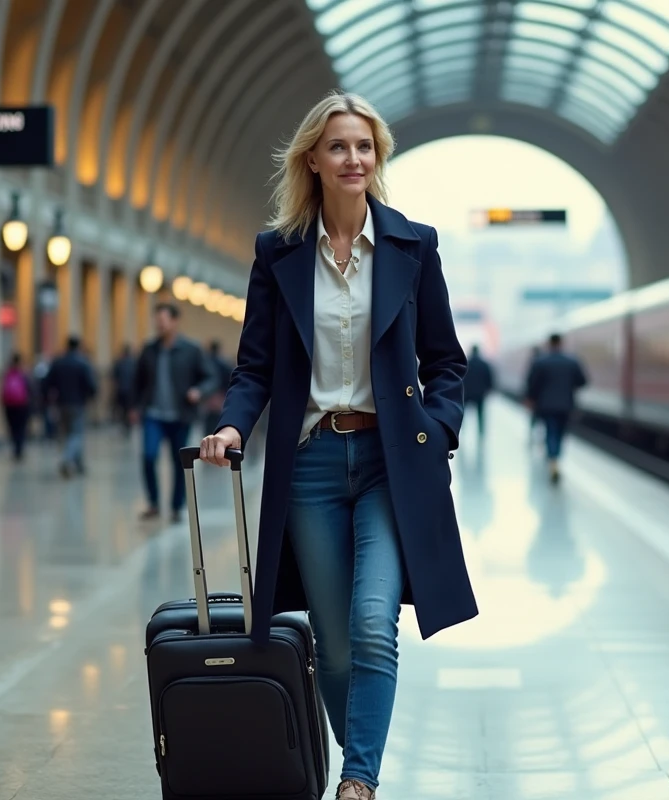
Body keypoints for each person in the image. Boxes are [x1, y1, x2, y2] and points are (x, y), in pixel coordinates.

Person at [199, 90, 478, 800]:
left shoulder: (416, 246)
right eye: (338, 147)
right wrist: (233, 425)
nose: (354, 158)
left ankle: (358, 783)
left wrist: (435, 429)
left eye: (364, 145)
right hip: (311, 466)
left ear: (376, 155)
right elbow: (256, 365)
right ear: (313, 162)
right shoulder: (279, 253)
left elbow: (447, 362)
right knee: (336, 642)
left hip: (393, 464)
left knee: (373, 620)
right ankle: (361, 764)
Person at [130, 302, 219, 522]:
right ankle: (153, 502)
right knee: (148, 456)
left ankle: (177, 506)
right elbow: (137, 381)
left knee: (178, 461)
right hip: (153, 414)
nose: (159, 324)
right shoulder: (149, 350)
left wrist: (198, 391)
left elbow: (211, 377)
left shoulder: (191, 349)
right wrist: (134, 406)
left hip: (181, 415)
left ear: (175, 321)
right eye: (157, 320)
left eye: (163, 320)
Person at [524, 333, 588, 483]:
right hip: (566, 405)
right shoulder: (572, 361)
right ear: (561, 343)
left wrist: (531, 399)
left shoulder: (540, 362)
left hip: (545, 405)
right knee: (560, 433)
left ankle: (552, 461)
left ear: (549, 343)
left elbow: (532, 384)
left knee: (550, 431)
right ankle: (556, 459)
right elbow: (583, 381)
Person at [41, 335, 98, 477]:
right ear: (78, 346)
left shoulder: (58, 362)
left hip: (61, 404)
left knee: (67, 434)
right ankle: (67, 459)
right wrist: (91, 396)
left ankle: (78, 464)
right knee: (76, 434)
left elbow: (46, 383)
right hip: (78, 404)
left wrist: (48, 398)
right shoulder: (83, 363)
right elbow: (91, 385)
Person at [1, 351, 32, 461]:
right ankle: (19, 449)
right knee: (21, 428)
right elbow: (30, 389)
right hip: (22, 404)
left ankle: (15, 448)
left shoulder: (7, 373)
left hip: (9, 405)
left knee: (13, 427)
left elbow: (2, 390)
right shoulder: (24, 373)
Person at [463, 343, 494, 441]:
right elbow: (489, 379)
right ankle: (481, 433)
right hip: (480, 394)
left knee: (463, 414)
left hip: (467, 393)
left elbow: (461, 379)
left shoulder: (466, 363)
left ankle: (461, 431)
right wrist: (487, 390)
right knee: (480, 415)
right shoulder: (484, 364)